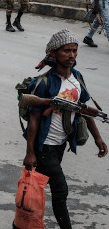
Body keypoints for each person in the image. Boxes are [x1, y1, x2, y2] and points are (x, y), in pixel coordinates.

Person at [23, 29, 107, 228]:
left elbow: (84, 111)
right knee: (60, 190)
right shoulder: (43, 82)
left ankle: (23, 222)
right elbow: (33, 120)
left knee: (40, 186)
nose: (71, 56)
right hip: (45, 145)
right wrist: (30, 153)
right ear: (53, 54)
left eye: (74, 51)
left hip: (61, 143)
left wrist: (98, 139)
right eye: (66, 51)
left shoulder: (77, 78)